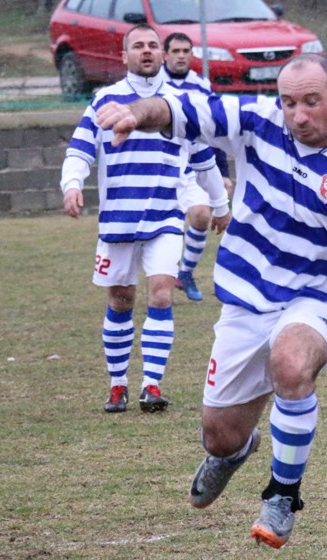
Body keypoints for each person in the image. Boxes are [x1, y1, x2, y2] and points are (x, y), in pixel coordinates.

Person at [94, 53, 327, 549]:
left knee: (291, 363)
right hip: (245, 299)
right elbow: (183, 109)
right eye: (290, 102)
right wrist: (138, 112)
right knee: (220, 436)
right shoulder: (257, 122)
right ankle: (235, 452)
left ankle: (282, 495)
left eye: (312, 101)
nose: (298, 114)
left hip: (316, 299)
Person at [61, 24, 229, 414]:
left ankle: (151, 385)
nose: (148, 51)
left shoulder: (179, 105)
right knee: (121, 300)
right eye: (138, 46)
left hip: (164, 218)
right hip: (118, 220)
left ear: (163, 54)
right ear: (125, 56)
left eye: (153, 45)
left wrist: (220, 206)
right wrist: (72, 184)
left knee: (161, 293)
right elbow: (80, 151)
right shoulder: (105, 100)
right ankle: (117, 385)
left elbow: (205, 162)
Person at [161, 32, 233, 301]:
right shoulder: (155, 83)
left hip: (196, 165)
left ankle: (186, 272)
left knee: (202, 216)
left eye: (186, 51)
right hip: (164, 167)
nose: (181, 56)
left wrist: (223, 174)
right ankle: (157, 276)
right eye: (176, 50)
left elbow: (213, 129)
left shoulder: (201, 84)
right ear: (165, 54)